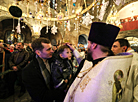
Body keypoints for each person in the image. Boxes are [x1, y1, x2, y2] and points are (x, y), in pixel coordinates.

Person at [64, 22, 123, 102]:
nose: (87, 47)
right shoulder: (112, 65)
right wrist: (74, 50)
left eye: (88, 43)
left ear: (94, 45)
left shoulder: (103, 69)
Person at [22, 38, 65, 102]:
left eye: (51, 48)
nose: (52, 51)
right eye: (48, 49)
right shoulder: (29, 71)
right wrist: (63, 92)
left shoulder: (53, 59)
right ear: (38, 52)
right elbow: (40, 96)